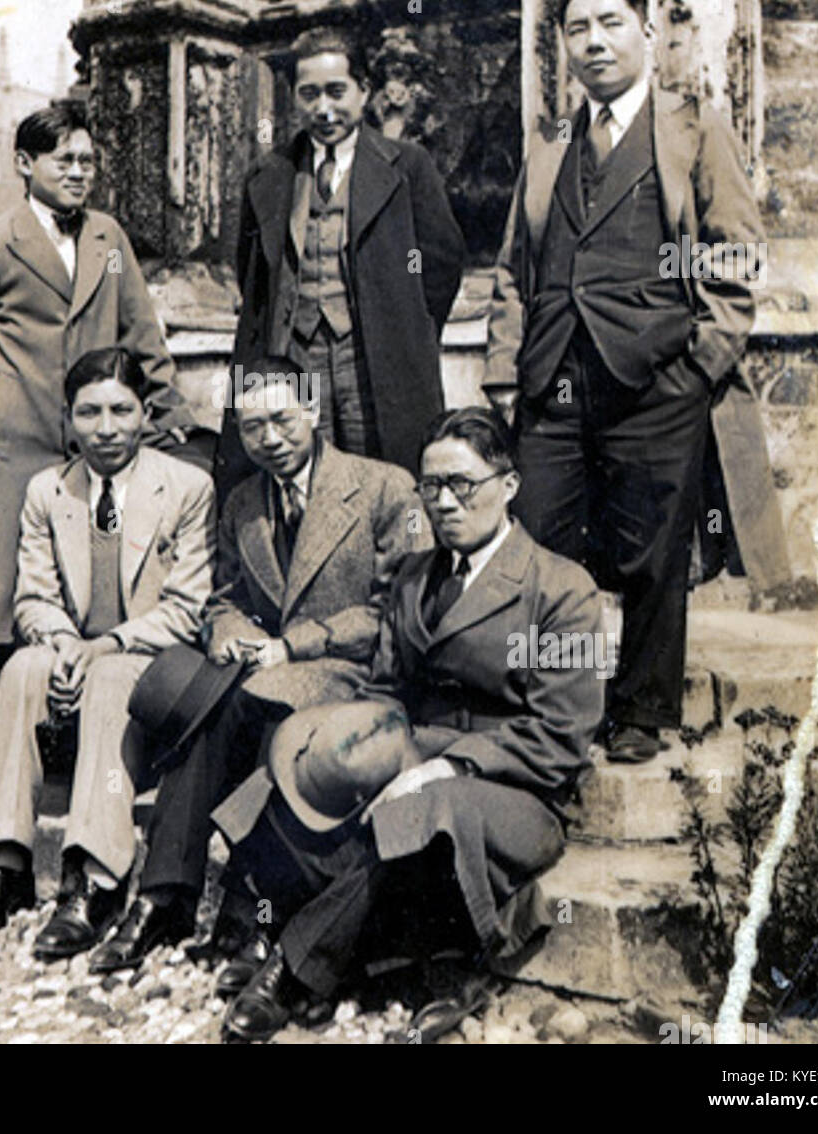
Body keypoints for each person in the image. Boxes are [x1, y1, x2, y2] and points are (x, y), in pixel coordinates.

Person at [210, 406, 604, 1044]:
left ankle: (294, 971)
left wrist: (445, 767)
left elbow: (562, 735)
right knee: (289, 772)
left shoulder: (562, 589)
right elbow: (387, 690)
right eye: (432, 486)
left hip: (517, 791)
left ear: (509, 485)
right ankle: (322, 938)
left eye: (462, 485)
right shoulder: (417, 577)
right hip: (413, 755)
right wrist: (349, 743)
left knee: (424, 810)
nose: (443, 503)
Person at [483, 0, 787, 764]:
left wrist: (700, 366)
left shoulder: (693, 127)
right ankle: (558, 702)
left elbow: (737, 254)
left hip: (659, 379)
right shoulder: (550, 143)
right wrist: (506, 372)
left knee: (654, 549)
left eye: (611, 23)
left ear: (647, 33)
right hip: (554, 377)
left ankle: (643, 711)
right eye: (577, 28)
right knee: (539, 541)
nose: (594, 42)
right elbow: (513, 270)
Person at [84, 357, 425, 973]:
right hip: (264, 672)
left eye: (282, 420)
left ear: (313, 411)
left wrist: (293, 646)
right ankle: (166, 897)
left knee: (259, 712)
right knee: (208, 712)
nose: (269, 439)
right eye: (252, 427)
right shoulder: (244, 501)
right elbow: (224, 598)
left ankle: (251, 913)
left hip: (353, 671)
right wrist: (233, 636)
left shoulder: (384, 488)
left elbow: (398, 608)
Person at [0, 101, 196, 787]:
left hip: (89, 442)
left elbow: (140, 332)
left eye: (87, 161)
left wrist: (167, 412)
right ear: (25, 164)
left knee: (80, 584)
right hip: (7, 442)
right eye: (64, 160)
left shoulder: (108, 239)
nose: (79, 173)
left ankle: (67, 738)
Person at [0, 348, 215, 952]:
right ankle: (7, 863)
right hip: (77, 652)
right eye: (89, 413)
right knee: (23, 668)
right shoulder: (48, 491)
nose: (106, 429)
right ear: (68, 419)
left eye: (121, 411)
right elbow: (33, 597)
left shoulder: (187, 488)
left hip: (150, 662)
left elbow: (188, 608)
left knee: (111, 677)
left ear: (146, 414)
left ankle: (95, 878)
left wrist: (108, 645)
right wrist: (67, 643)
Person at [222, 26, 464, 492]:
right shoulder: (270, 174)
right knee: (309, 479)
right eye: (309, 94)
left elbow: (441, 262)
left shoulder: (407, 166)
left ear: (364, 91)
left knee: (387, 478)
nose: (323, 108)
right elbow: (252, 273)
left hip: (376, 360)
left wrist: (406, 331)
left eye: (336, 91)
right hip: (295, 356)